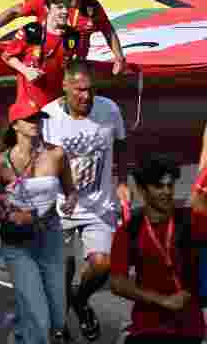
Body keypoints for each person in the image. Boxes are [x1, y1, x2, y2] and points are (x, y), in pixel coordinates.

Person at [42, 59, 129, 343]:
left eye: (90, 90)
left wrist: (123, 183)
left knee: (103, 264)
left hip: (99, 206)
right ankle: (59, 319)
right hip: (59, 208)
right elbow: (39, 163)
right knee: (61, 273)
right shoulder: (49, 117)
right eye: (79, 90)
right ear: (64, 87)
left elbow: (122, 142)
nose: (86, 96)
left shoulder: (109, 110)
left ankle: (80, 301)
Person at [0, 100, 77, 344]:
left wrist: (71, 201)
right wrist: (11, 215)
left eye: (39, 118)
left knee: (57, 319)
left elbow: (71, 190)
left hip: (51, 236)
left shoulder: (57, 154)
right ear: (15, 126)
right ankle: (27, 327)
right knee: (40, 321)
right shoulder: (2, 162)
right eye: (30, 119)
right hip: (18, 243)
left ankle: (20, 327)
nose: (36, 123)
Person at [110, 152, 207, 344]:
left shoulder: (193, 220)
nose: (167, 192)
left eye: (170, 185)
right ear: (141, 190)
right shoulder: (129, 231)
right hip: (146, 329)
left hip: (189, 330)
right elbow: (117, 282)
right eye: (159, 186)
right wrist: (163, 300)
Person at [0, 0, 128, 76]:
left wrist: (119, 58)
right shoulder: (46, 1)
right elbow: (14, 11)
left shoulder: (92, 7)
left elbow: (108, 30)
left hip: (75, 68)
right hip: (44, 67)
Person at [3, 0, 78, 111]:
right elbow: (7, 56)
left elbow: (70, 66)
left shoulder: (73, 36)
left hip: (56, 103)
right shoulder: (32, 31)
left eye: (67, 7)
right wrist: (26, 71)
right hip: (30, 104)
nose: (65, 11)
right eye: (60, 7)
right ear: (48, 8)